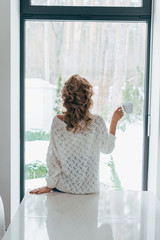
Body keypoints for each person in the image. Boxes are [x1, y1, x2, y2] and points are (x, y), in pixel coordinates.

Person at [29, 74, 124, 195]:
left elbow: (53, 158)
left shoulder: (57, 122)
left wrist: (50, 185)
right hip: (90, 190)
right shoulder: (97, 122)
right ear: (88, 98)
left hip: (63, 189)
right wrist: (114, 122)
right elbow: (107, 148)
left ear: (65, 98)